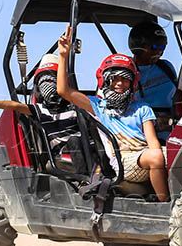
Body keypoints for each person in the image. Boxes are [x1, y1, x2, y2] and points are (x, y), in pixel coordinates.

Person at [56, 26, 168, 202]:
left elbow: (153, 142)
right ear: (104, 80)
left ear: (132, 82)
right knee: (156, 156)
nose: (119, 83)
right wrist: (63, 55)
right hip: (124, 162)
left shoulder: (142, 108)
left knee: (179, 152)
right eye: (114, 78)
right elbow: (64, 91)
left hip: (144, 156)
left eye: (125, 79)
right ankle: (166, 204)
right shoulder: (98, 106)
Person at [0, 53, 79, 162]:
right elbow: (16, 105)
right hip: (62, 150)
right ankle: (88, 178)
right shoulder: (40, 110)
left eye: (53, 81)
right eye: (44, 82)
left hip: (85, 145)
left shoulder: (75, 108)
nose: (48, 86)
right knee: (75, 142)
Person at [129, 21, 178, 140]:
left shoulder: (166, 68)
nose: (159, 52)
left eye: (162, 47)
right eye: (154, 47)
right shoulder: (125, 71)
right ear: (138, 46)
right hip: (139, 136)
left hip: (170, 134)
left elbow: (178, 99)